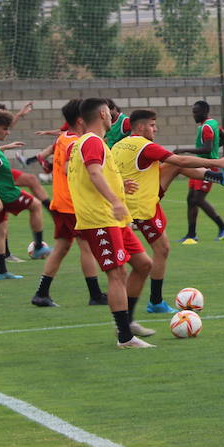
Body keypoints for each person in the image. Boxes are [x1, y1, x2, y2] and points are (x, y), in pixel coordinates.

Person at [111, 109, 224, 314]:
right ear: (140, 127)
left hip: (132, 199)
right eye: (152, 125)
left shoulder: (119, 145)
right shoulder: (145, 146)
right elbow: (180, 160)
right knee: (161, 250)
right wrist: (217, 162)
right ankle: (154, 302)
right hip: (142, 207)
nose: (156, 128)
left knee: (174, 166)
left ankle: (220, 178)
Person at [67, 98, 156, 348]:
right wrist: (115, 201)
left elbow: (92, 174)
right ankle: (125, 336)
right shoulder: (93, 142)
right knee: (117, 273)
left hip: (112, 218)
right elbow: (93, 172)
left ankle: (127, 321)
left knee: (143, 264)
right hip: (100, 218)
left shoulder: (89, 143)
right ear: (104, 114)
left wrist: (119, 187)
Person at [31, 98, 108, 308]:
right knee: (87, 248)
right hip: (73, 204)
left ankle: (41, 293)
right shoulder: (74, 142)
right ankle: (95, 294)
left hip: (61, 202)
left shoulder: (64, 137)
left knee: (62, 247)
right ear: (80, 119)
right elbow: (66, 168)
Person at [0, 108, 51, 280]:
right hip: (3, 193)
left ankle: (1, 272)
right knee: (35, 205)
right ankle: (38, 247)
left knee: (0, 231)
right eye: (5, 129)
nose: (8, 131)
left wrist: (5, 147)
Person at [175, 99, 224, 243]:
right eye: (193, 112)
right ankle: (191, 234)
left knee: (198, 199)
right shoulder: (212, 124)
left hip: (207, 166)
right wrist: (215, 146)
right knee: (191, 199)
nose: (193, 115)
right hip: (198, 165)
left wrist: (184, 150)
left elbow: (207, 148)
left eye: (196, 112)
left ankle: (223, 226)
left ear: (204, 112)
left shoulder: (206, 127)